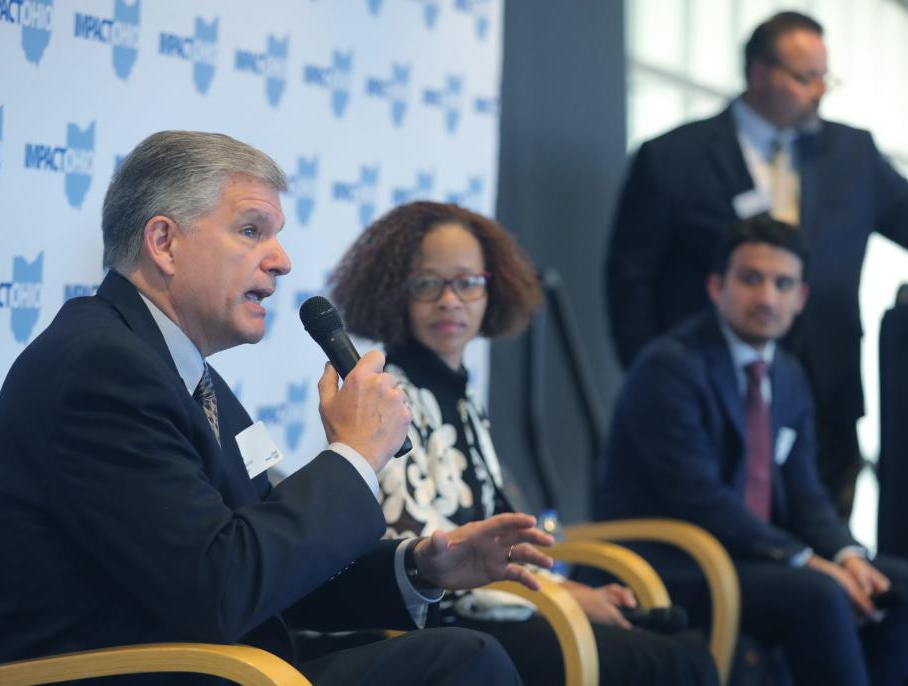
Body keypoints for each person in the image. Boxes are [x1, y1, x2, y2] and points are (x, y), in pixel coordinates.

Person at [0, 131, 559, 686]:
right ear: (164, 242)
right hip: (138, 671)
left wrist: (421, 569)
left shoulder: (183, 374)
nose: (282, 260)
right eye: (252, 230)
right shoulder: (100, 370)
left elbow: (265, 566)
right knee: (463, 664)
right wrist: (353, 454)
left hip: (216, 665)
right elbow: (223, 586)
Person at [328, 200, 719, 686]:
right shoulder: (391, 395)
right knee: (676, 662)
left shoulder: (465, 399)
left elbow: (498, 533)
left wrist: (567, 586)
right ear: (395, 293)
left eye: (467, 283)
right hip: (446, 624)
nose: (450, 300)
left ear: (492, 290)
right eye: (429, 284)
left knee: (679, 643)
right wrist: (567, 598)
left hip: (507, 603)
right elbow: (423, 552)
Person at [605, 10, 908, 519]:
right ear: (758, 73)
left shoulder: (852, 152)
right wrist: (655, 376)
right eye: (803, 77)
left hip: (826, 382)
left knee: (825, 527)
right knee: (724, 532)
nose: (819, 91)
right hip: (710, 393)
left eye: (824, 77)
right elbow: (628, 280)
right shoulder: (674, 156)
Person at [598, 214, 908, 685]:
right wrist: (805, 559)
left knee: (894, 583)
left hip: (752, 559)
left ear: (801, 297)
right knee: (819, 592)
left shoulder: (789, 375)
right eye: (750, 279)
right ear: (715, 286)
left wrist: (846, 555)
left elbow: (805, 493)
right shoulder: (669, 368)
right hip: (673, 560)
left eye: (783, 284)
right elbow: (699, 498)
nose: (767, 297)